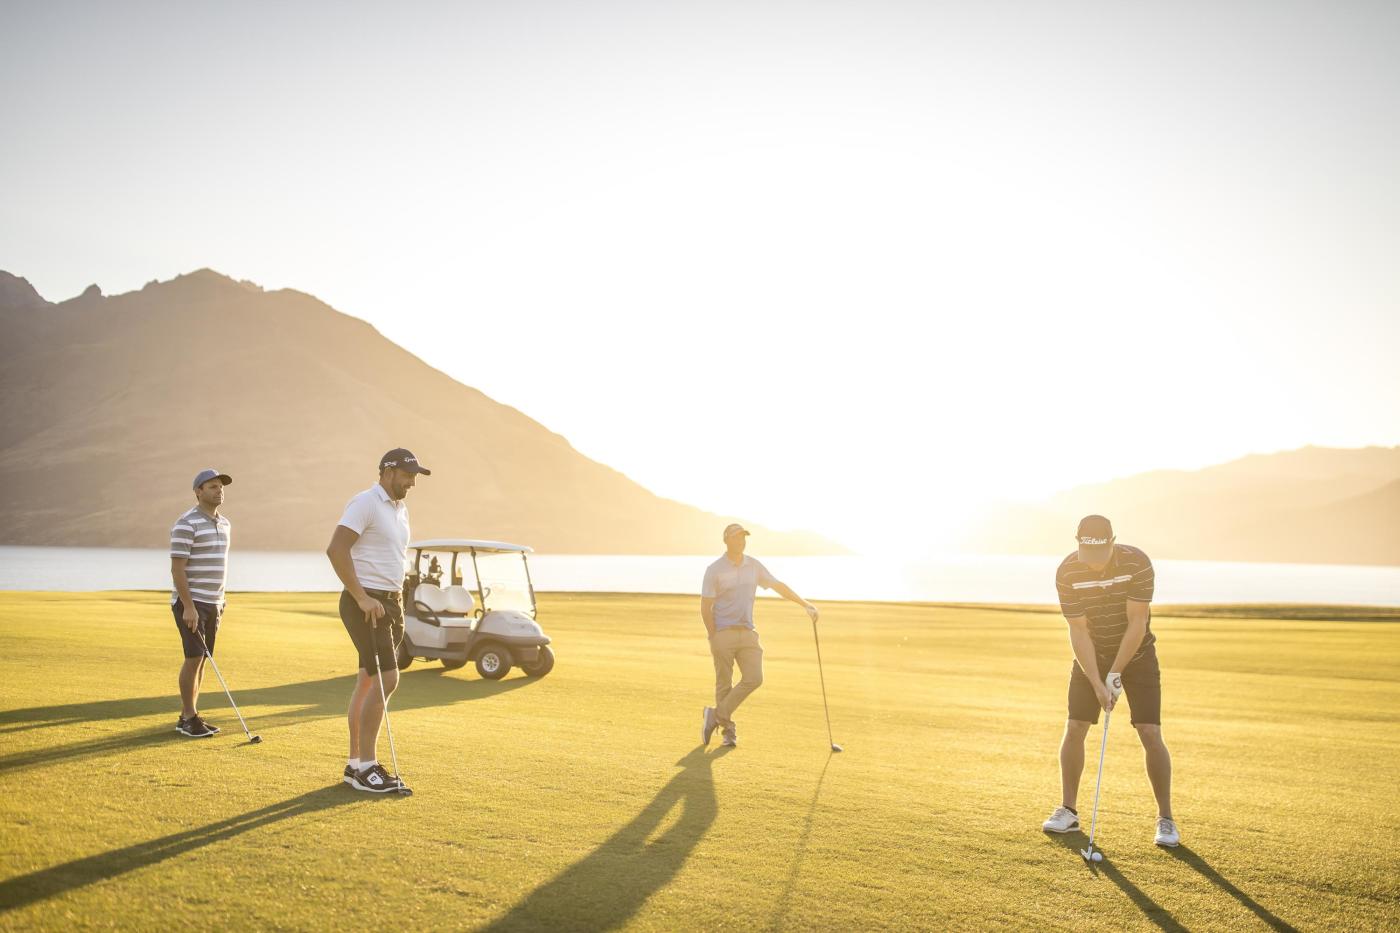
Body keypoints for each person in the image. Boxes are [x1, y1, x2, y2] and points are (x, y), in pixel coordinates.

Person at [1042, 515, 1180, 847]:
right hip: (1091, 655)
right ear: (1077, 544)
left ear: (1112, 542)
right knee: (1075, 726)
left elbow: (1137, 623)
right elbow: (1078, 630)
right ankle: (1068, 811)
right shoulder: (1067, 571)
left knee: (1149, 731)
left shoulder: (1137, 563)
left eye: (1100, 554)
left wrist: (1115, 674)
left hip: (1138, 654)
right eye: (1086, 554)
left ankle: (1166, 819)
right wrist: (1096, 681)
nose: (1092, 563)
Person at [326, 448, 431, 793]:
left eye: (415, 476)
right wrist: (362, 597)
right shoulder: (366, 502)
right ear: (387, 471)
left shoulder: (400, 509)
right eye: (407, 474)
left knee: (368, 681)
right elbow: (336, 549)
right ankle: (368, 768)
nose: (412, 482)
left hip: (390, 603)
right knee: (388, 677)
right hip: (367, 604)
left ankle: (355, 764)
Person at [699, 523, 820, 748]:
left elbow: (777, 585)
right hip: (723, 632)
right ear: (726, 540)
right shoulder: (714, 569)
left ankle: (715, 715)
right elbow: (705, 606)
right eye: (736, 538)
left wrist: (804, 604)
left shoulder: (753, 566)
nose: (741, 541)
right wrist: (713, 636)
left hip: (747, 633)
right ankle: (728, 732)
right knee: (723, 684)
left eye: (743, 537)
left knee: (754, 678)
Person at [169, 469, 233, 739]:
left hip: (214, 603)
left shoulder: (225, 523)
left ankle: (190, 714)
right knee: (193, 658)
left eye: (220, 486)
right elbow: (177, 569)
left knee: (204, 660)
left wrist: (221, 599)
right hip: (192, 603)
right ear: (198, 491)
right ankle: (188, 717)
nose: (219, 490)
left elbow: (219, 565)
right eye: (212, 486)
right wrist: (189, 606)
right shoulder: (187, 523)